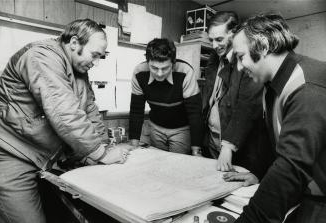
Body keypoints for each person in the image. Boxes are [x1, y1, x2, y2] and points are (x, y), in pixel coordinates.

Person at [0, 19, 131, 223]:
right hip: (12, 153)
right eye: (94, 55)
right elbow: (65, 113)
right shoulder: (42, 57)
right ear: (75, 43)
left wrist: (103, 145)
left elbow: (90, 110)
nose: (95, 62)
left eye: (100, 57)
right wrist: (101, 153)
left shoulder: (79, 70)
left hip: (44, 155)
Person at [228, 13, 326, 222]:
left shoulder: (306, 87)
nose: (238, 67)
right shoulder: (270, 86)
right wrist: (259, 173)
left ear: (262, 47)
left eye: (240, 56)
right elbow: (277, 143)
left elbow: (291, 168)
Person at [202, 11, 273, 178]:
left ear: (234, 34)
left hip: (237, 144)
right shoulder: (215, 57)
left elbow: (247, 104)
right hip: (213, 139)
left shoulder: (245, 59)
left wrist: (228, 146)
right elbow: (208, 97)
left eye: (219, 39)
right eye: (210, 40)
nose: (213, 45)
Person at [129, 38, 204, 155]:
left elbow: (195, 113)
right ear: (147, 61)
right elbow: (136, 110)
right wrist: (134, 145)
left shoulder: (185, 71)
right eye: (154, 68)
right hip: (155, 126)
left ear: (173, 63)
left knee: (177, 166)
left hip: (181, 129)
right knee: (157, 163)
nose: (159, 73)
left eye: (165, 68)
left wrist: (196, 150)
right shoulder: (139, 73)